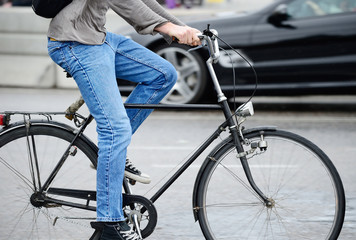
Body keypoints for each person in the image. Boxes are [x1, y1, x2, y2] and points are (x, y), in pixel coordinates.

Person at [47, 0, 201, 239]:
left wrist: (185, 29)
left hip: (98, 38)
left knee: (164, 74)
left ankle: (112, 151)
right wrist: (169, 28)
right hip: (74, 43)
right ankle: (109, 223)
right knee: (115, 130)